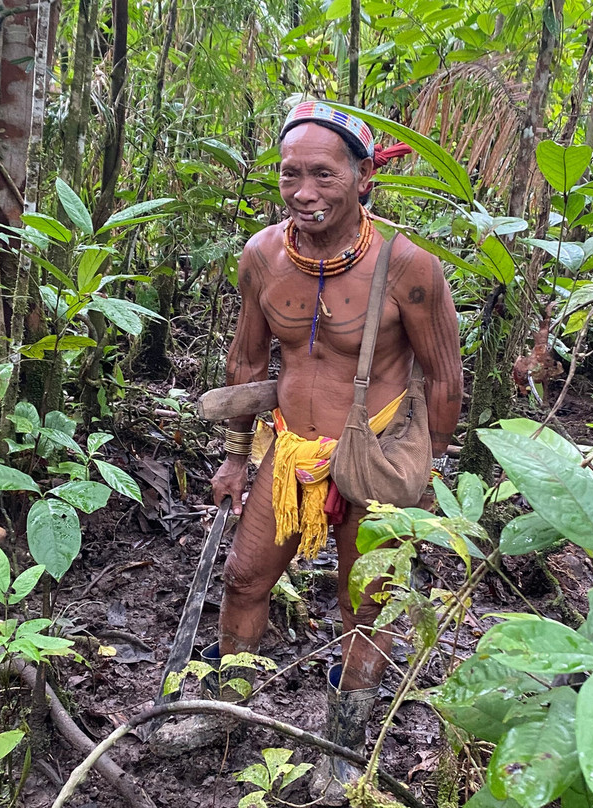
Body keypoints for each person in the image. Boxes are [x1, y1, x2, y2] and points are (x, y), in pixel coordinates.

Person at [153, 102, 462, 803]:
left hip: (374, 452)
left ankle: (344, 742)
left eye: (323, 173)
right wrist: (236, 457)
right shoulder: (263, 256)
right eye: (290, 175)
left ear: (363, 179)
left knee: (368, 601)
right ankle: (225, 708)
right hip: (288, 449)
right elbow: (245, 360)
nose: (304, 191)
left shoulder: (409, 267)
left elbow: (444, 377)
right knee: (244, 578)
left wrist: (426, 470)